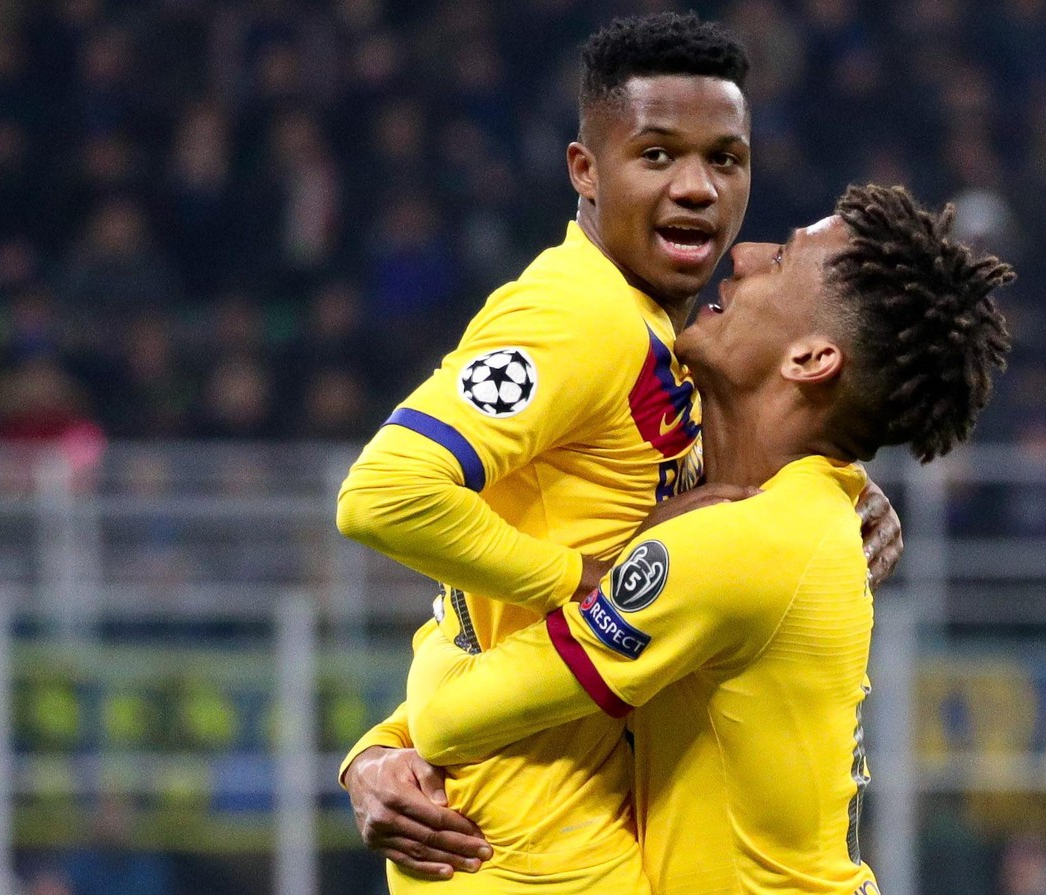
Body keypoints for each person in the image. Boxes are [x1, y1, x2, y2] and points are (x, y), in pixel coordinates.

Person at [333, 13, 903, 891]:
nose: (699, 188)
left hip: (579, 834)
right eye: (657, 155)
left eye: (726, 158)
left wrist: (840, 483)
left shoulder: (663, 341)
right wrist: (579, 576)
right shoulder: (574, 316)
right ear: (585, 171)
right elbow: (383, 494)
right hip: (519, 857)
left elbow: (491, 605)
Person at [403, 184, 1013, 894]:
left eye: (781, 260)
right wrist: (378, 750)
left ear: (812, 359)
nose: (744, 255)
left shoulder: (739, 544)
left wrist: (403, 727)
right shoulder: (801, 512)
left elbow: (450, 718)